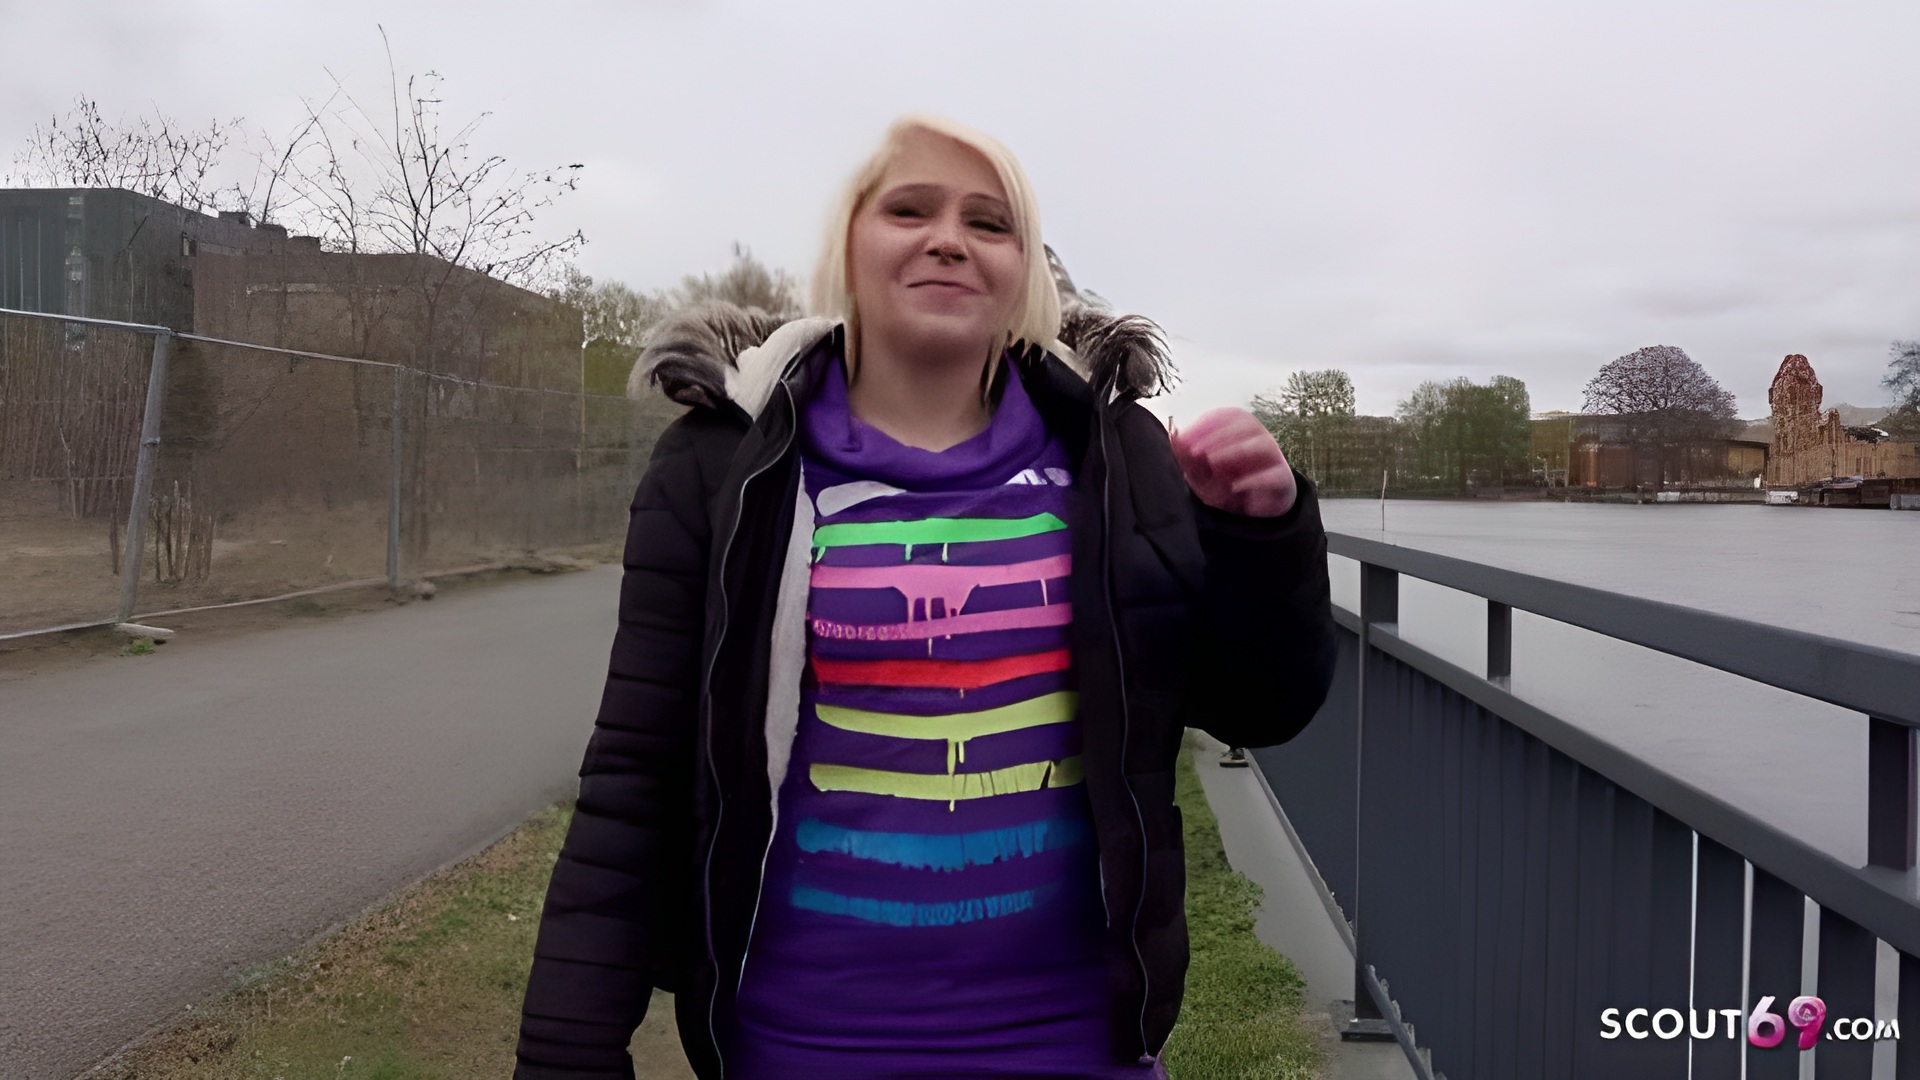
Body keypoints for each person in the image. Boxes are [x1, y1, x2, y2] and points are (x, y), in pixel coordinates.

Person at [514, 114, 1336, 1080]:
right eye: (909, 210)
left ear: (1025, 274)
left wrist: (1263, 535)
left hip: (1075, 1044)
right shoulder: (723, 463)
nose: (949, 238)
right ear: (847, 251)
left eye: (989, 223)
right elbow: (634, 773)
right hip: (801, 1046)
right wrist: (566, 1050)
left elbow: (1259, 706)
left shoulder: (1116, 457)